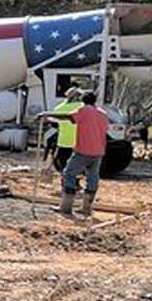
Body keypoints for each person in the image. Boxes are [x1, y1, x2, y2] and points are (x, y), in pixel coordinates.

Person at [46, 90, 109, 218]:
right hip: (98, 151)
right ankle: (87, 207)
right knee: (92, 177)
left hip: (83, 149)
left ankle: (66, 206)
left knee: (68, 173)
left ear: (83, 101)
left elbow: (68, 117)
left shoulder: (83, 110)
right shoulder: (103, 114)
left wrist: (47, 114)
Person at [46, 86, 84, 172]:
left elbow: (54, 123)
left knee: (62, 162)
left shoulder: (59, 108)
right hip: (79, 141)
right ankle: (75, 179)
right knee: (77, 163)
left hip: (63, 140)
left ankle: (64, 178)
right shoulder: (82, 107)